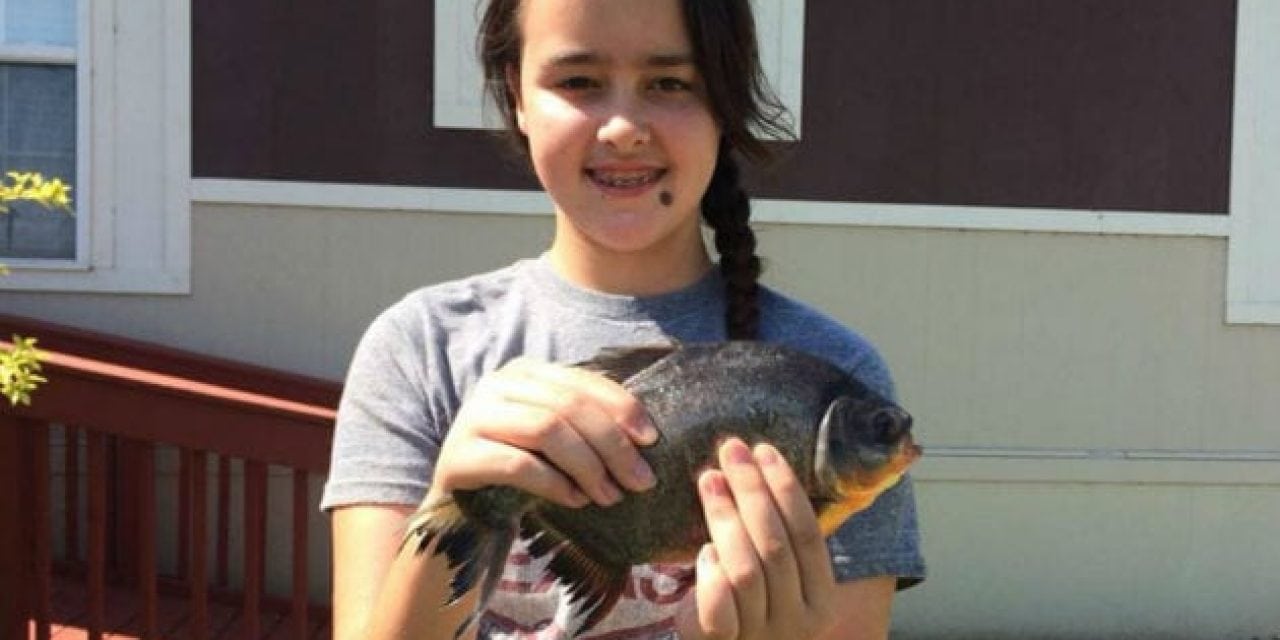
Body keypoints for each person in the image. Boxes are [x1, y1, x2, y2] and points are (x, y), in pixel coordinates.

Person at [320, 0, 925, 637]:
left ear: (725, 98)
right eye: (578, 82)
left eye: (670, 83)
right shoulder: (419, 350)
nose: (623, 128)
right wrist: (458, 501)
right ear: (515, 94)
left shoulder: (838, 373)